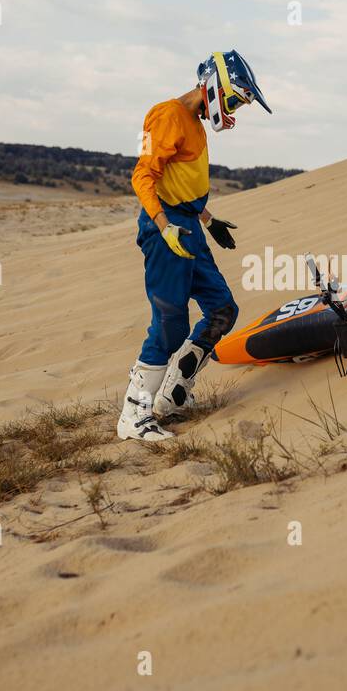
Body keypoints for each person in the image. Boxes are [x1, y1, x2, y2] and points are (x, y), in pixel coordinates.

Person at [116, 50, 272, 442]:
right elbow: (142, 176)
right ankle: (134, 415)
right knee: (170, 324)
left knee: (222, 309)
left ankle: (172, 393)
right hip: (165, 229)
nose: (235, 108)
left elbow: (182, 183)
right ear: (214, 86)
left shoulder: (195, 124)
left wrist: (208, 219)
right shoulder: (169, 115)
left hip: (188, 225)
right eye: (235, 98)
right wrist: (166, 227)